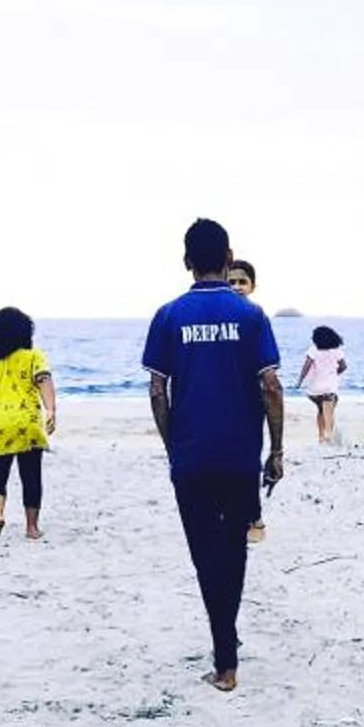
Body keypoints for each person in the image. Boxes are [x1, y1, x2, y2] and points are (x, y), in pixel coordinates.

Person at [143, 220, 283, 691]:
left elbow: (157, 391)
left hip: (192, 456)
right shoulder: (251, 315)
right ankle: (228, 649)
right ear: (228, 258)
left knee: (206, 555)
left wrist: (171, 445)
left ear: (186, 261)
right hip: (241, 455)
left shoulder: (168, 316)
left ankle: (225, 654)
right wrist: (277, 449)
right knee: (234, 549)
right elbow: (271, 386)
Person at [0, 306, 56, 544]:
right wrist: (51, 409)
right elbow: (43, 379)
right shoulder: (33, 356)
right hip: (28, 423)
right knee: (31, 476)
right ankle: (32, 527)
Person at [224, 259, 271, 542]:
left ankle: (254, 516)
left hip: (250, 402)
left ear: (253, 286)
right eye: (231, 281)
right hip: (221, 401)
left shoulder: (255, 316)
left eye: (242, 282)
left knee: (249, 462)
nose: (237, 287)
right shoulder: (217, 316)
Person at [295, 325, 348, 447]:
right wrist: (335, 373)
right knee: (329, 412)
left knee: (321, 410)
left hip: (315, 389)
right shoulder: (337, 350)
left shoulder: (313, 350)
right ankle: (330, 438)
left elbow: (306, 367)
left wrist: (299, 381)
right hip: (329, 388)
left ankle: (321, 438)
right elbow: (344, 366)